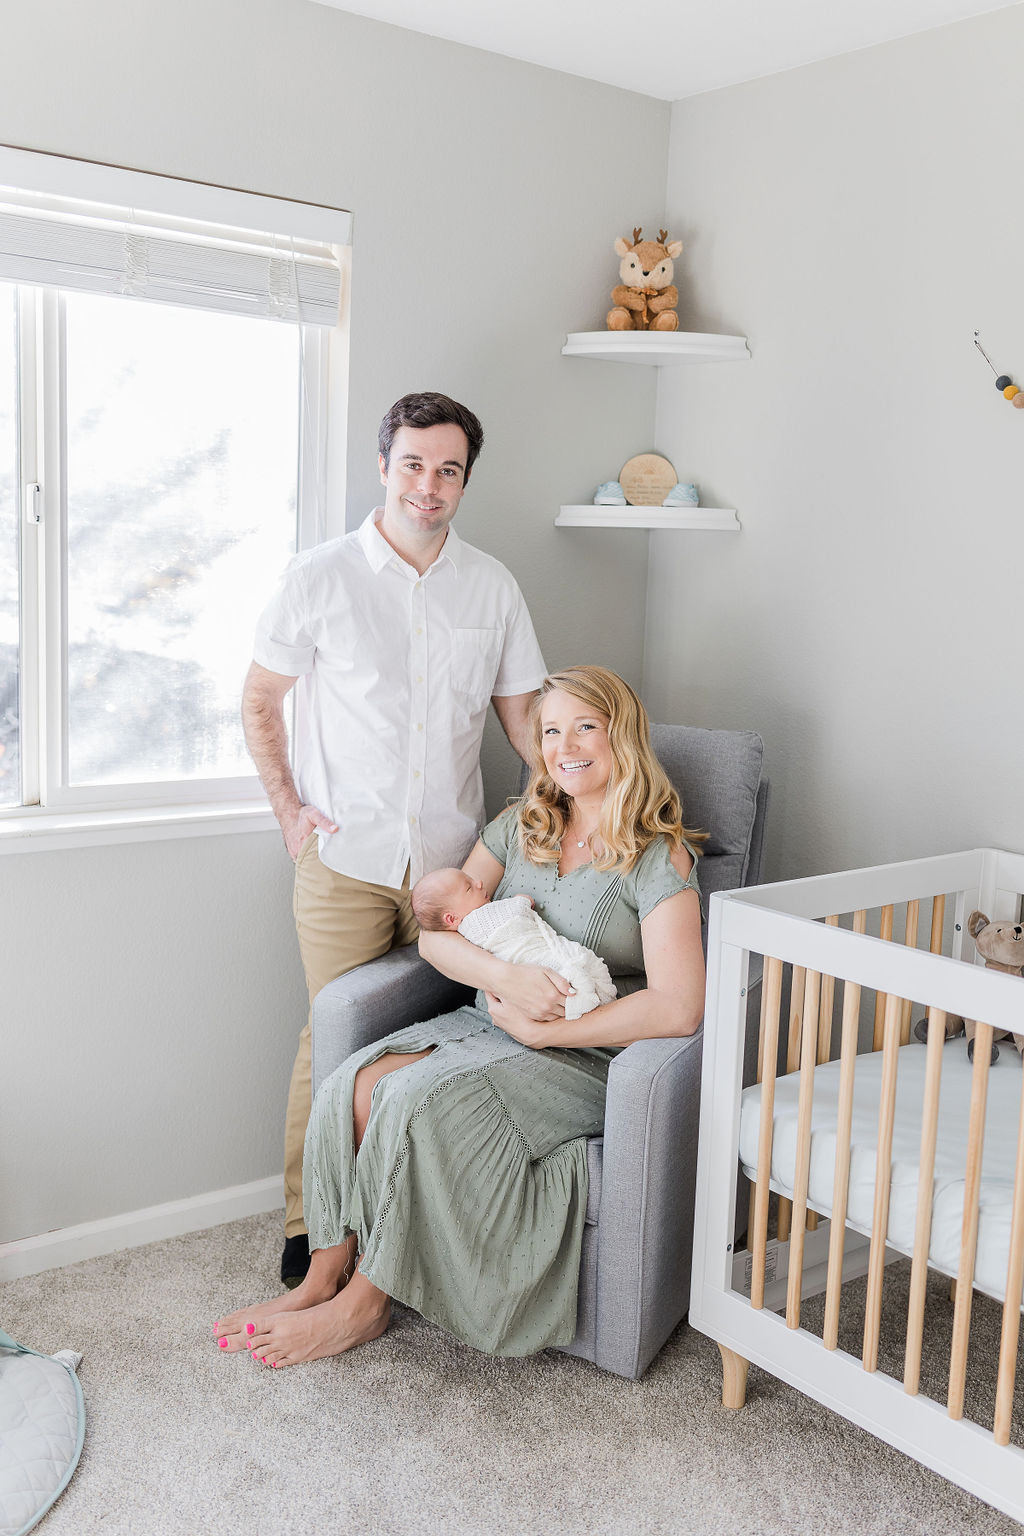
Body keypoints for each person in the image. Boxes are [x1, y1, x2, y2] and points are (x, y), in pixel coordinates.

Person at [214, 665, 706, 1366]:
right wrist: (502, 977)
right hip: (488, 1020)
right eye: (552, 730)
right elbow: (439, 935)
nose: (567, 745)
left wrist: (552, 1029)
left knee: (415, 1099)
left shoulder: (661, 856)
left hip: (588, 1055)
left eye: (585, 726)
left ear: (621, 735)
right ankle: (326, 1274)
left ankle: (365, 1306)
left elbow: (681, 1005)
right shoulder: (520, 826)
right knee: (354, 1084)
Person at [242, 392, 547, 1287]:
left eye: (448, 469)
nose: (429, 485)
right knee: (331, 1037)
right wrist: (289, 811)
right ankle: (312, 1223)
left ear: (464, 481)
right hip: (345, 866)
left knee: (450, 1032)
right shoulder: (320, 576)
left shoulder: (492, 586)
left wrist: (544, 817)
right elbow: (261, 701)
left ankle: (408, 1222)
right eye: (413, 464)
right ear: (384, 467)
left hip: (454, 871)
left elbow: (526, 720)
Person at [410, 867, 618, 1019]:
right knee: (572, 965)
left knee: (569, 975)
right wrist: (522, 899)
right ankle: (590, 996)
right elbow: (514, 911)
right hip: (530, 963)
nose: (479, 883)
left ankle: (586, 999)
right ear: (451, 919)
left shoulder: (463, 936)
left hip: (518, 991)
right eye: (469, 888)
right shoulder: (478, 920)